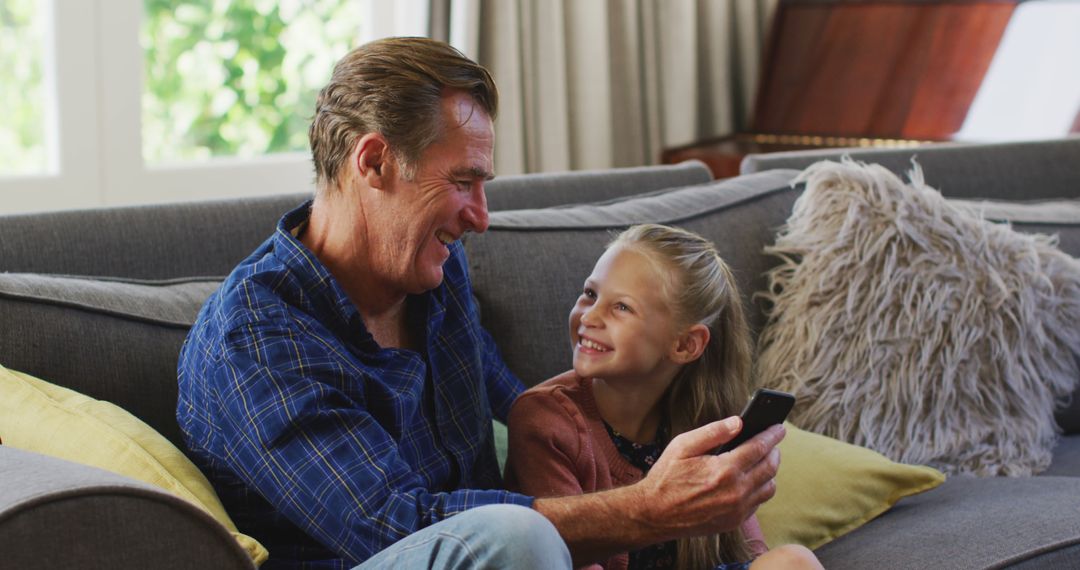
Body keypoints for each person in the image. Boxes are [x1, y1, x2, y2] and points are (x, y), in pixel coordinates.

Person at [177, 37, 785, 570]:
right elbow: (392, 524)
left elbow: (519, 404)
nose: (481, 217)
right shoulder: (254, 337)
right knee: (521, 538)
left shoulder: (432, 274)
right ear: (374, 161)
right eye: (463, 182)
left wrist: (650, 429)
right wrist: (649, 509)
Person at [506, 224, 822, 570]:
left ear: (685, 345)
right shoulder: (544, 420)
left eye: (622, 308)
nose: (590, 316)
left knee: (794, 561)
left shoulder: (710, 418)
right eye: (591, 294)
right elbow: (561, 552)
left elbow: (746, 551)